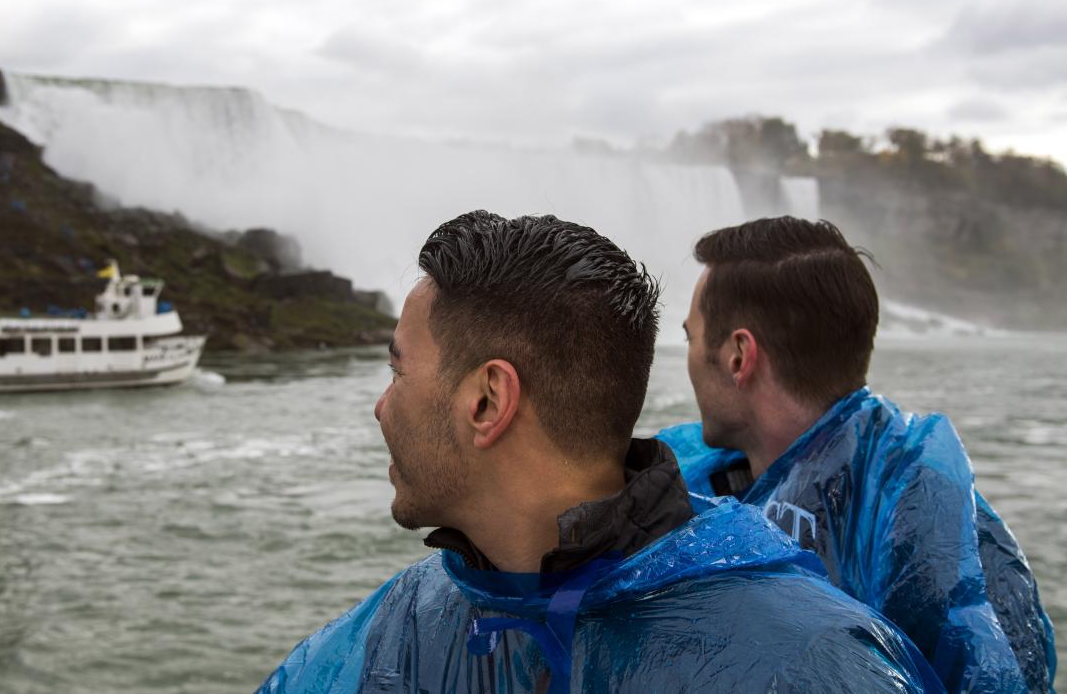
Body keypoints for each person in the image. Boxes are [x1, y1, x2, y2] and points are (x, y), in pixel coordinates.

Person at [258, 210, 941, 693]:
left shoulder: (813, 664)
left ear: (487, 401)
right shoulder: (402, 627)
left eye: (398, 370)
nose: (381, 405)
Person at [658, 216, 1056, 693]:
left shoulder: (921, 526)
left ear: (739, 356)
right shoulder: (917, 505)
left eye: (690, 337)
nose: (688, 356)